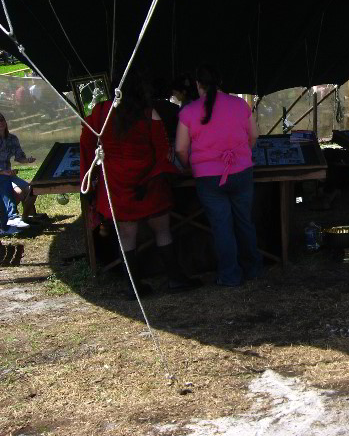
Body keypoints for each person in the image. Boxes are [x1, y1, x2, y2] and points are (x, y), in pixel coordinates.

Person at [80, 75, 200, 296]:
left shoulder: (100, 112)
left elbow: (87, 143)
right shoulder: (149, 114)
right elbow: (163, 150)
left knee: (127, 237)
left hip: (118, 185)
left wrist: (94, 173)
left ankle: (133, 287)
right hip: (149, 182)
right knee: (163, 230)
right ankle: (174, 279)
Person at [175, 65, 264, 287]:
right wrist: (242, 154)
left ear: (198, 85)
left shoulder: (188, 112)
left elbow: (180, 149)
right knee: (244, 221)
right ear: (221, 82)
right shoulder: (240, 104)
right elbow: (254, 137)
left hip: (208, 178)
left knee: (221, 226)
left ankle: (230, 275)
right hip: (241, 171)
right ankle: (252, 269)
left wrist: (189, 166)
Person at [0, 113, 39, 228]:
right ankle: (12, 217)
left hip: (8, 174)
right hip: (3, 175)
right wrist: (2, 172)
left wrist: (27, 160)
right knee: (13, 188)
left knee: (32, 190)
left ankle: (26, 217)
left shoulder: (12, 139)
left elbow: (19, 157)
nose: (1, 123)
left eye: (2, 120)